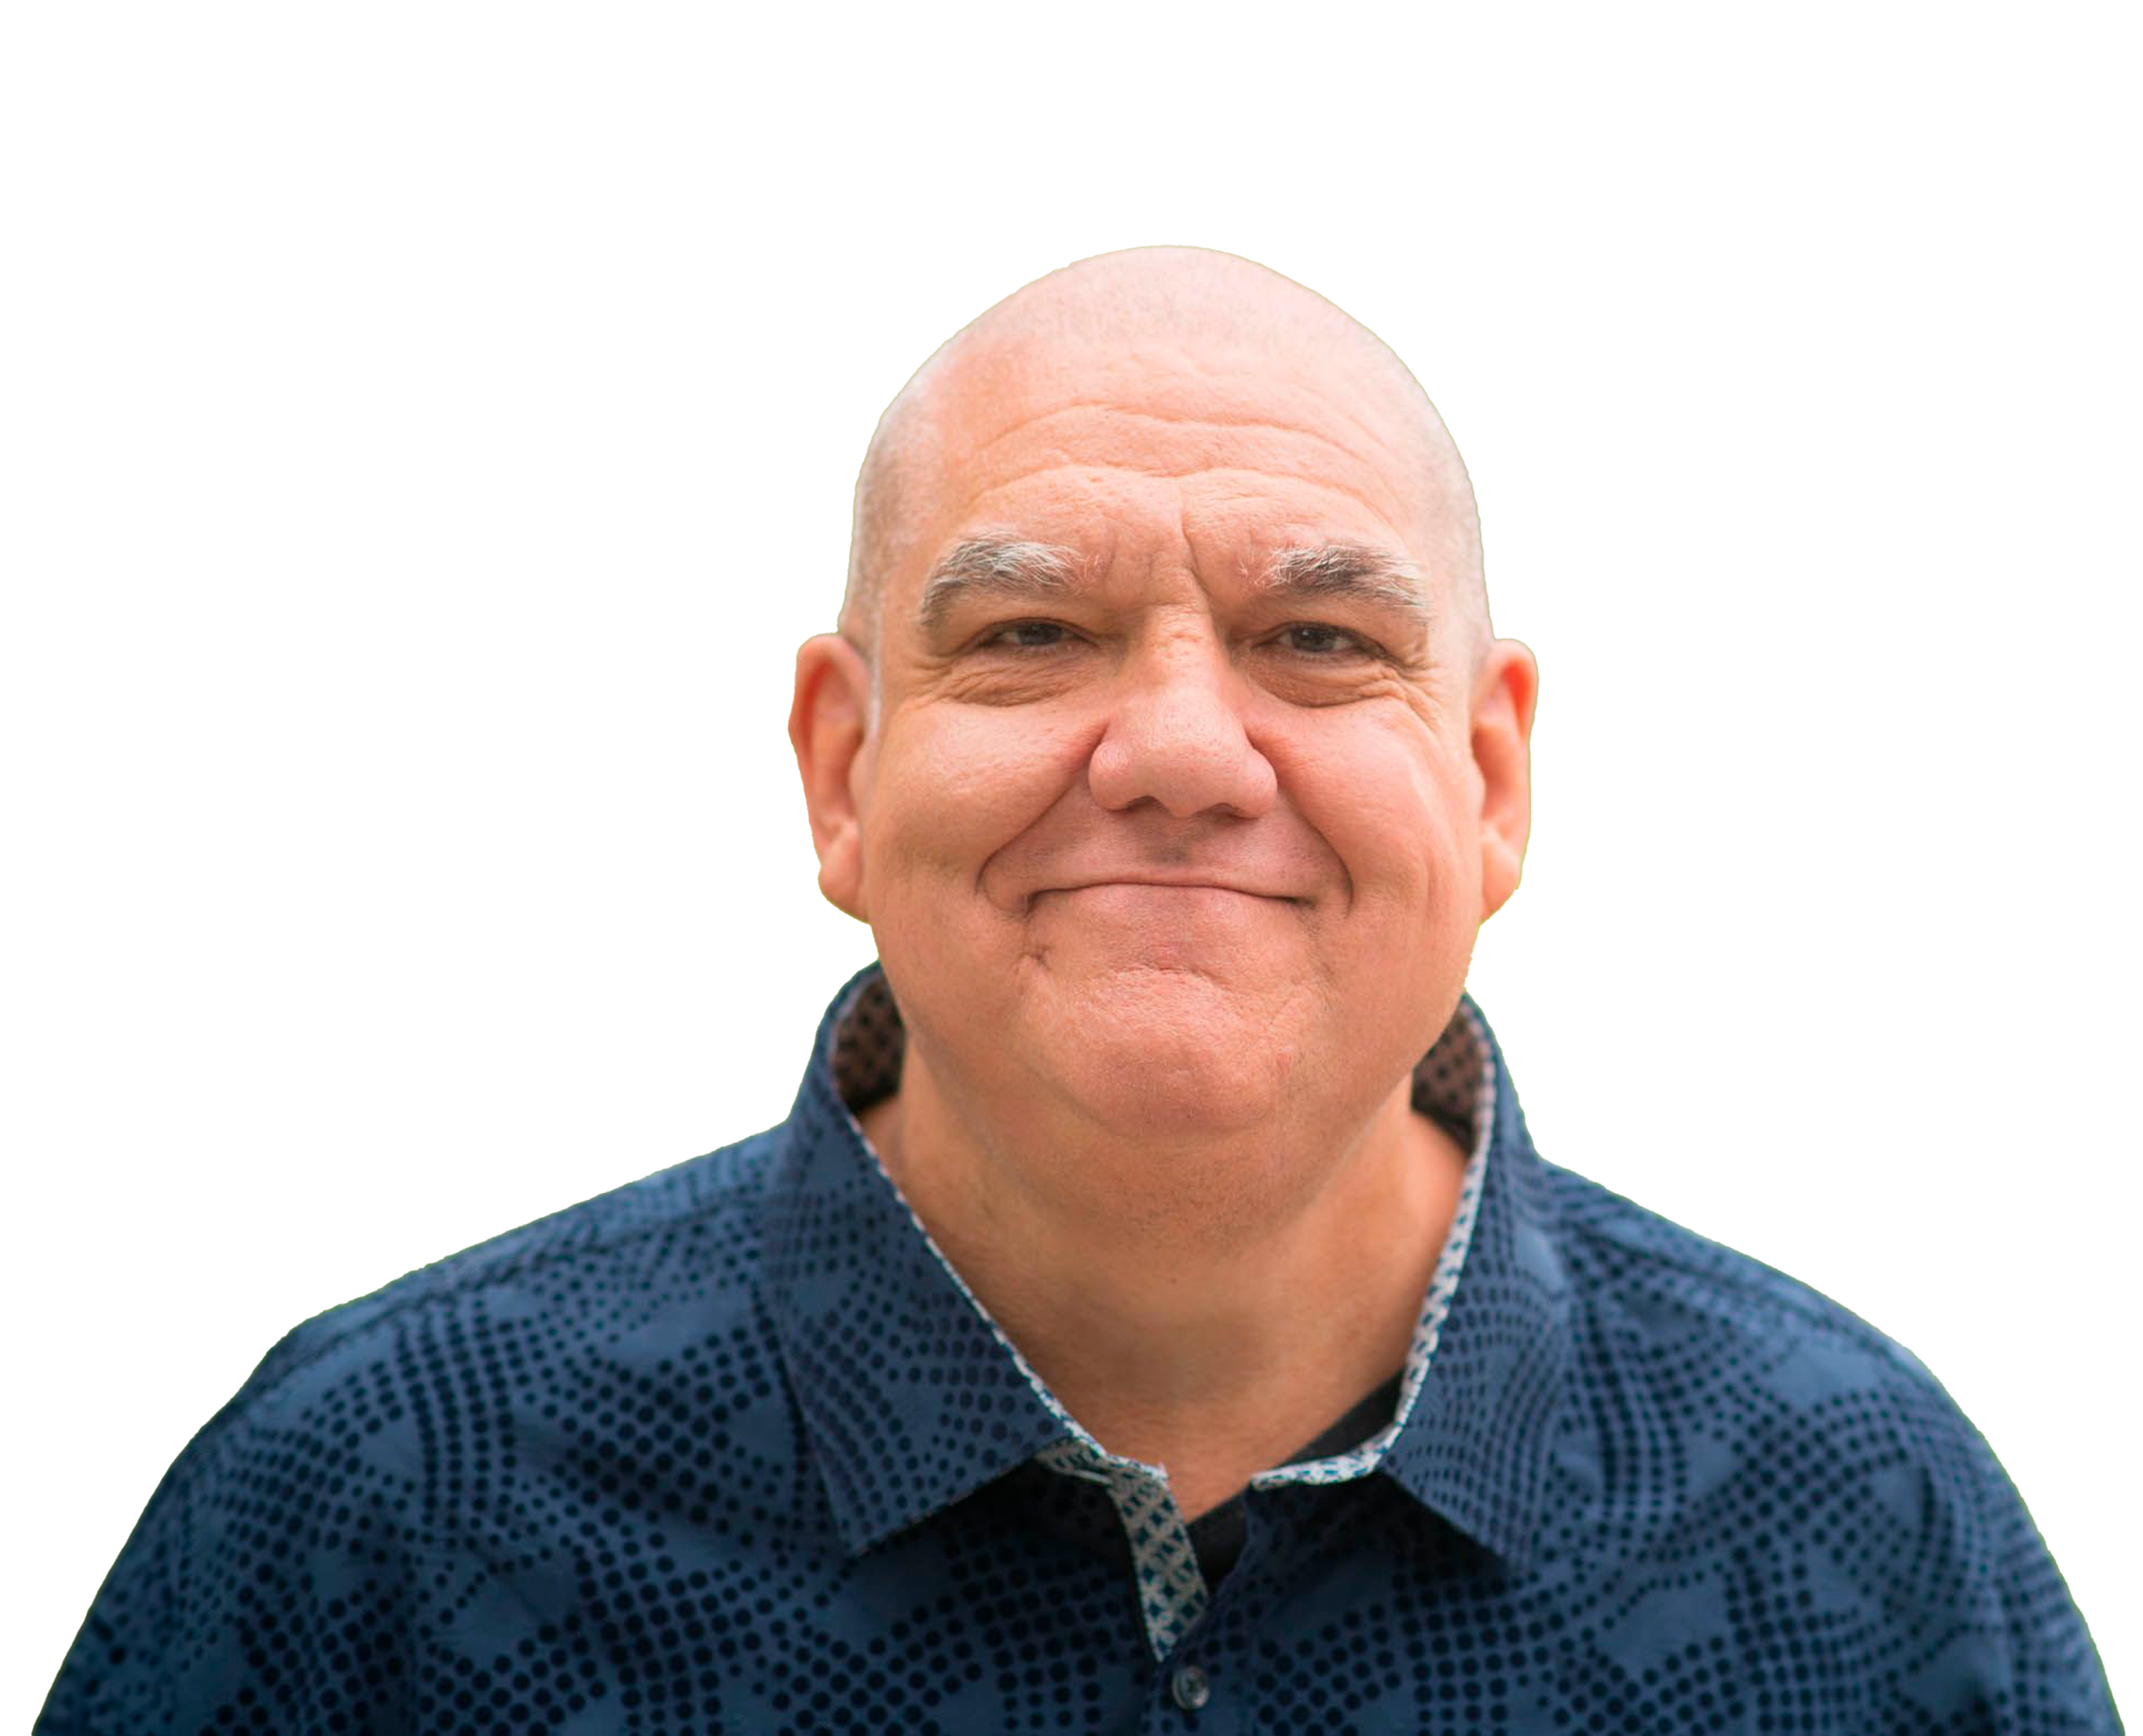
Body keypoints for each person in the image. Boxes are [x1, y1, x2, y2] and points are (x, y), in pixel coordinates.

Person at [38, 244, 2117, 1733]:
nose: (1184, 753)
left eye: (1319, 639)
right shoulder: (377, 1494)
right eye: (1033, 636)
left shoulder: (1866, 1512)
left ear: (1494, 783)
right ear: (842, 772)